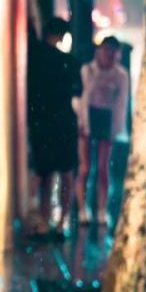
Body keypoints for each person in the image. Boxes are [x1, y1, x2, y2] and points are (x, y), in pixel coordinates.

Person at [27, 17, 83, 237]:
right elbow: (77, 91)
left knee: (46, 172)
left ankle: (43, 219)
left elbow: (30, 93)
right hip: (65, 121)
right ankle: (62, 221)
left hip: (42, 121)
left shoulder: (34, 59)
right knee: (67, 171)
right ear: (61, 36)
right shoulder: (69, 62)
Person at [76, 36, 129, 225]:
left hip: (107, 120)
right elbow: (83, 98)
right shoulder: (88, 70)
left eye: (112, 51)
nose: (108, 54)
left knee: (103, 169)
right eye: (105, 50)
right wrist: (83, 123)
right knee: (85, 168)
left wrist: (116, 129)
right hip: (88, 118)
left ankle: (101, 210)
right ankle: (83, 209)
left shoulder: (121, 75)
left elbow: (121, 104)